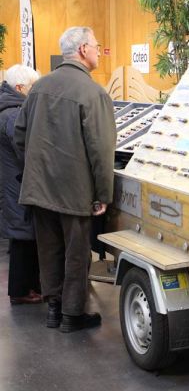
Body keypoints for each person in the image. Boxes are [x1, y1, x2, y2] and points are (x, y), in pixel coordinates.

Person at [14, 27, 116, 333]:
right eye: (97, 45)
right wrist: (103, 194)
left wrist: (36, 170)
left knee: (48, 250)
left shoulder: (38, 88)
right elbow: (101, 150)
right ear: (83, 49)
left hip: (39, 189)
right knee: (76, 253)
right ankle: (72, 315)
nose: (99, 51)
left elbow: (20, 135)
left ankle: (53, 309)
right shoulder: (93, 93)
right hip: (75, 191)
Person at [0, 64, 42, 305]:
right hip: (18, 184)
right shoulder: (14, 114)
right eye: (32, 86)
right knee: (24, 237)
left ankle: (25, 287)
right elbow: (26, 151)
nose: (34, 91)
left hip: (10, 182)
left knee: (22, 237)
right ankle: (21, 290)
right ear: (19, 88)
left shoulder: (6, 108)